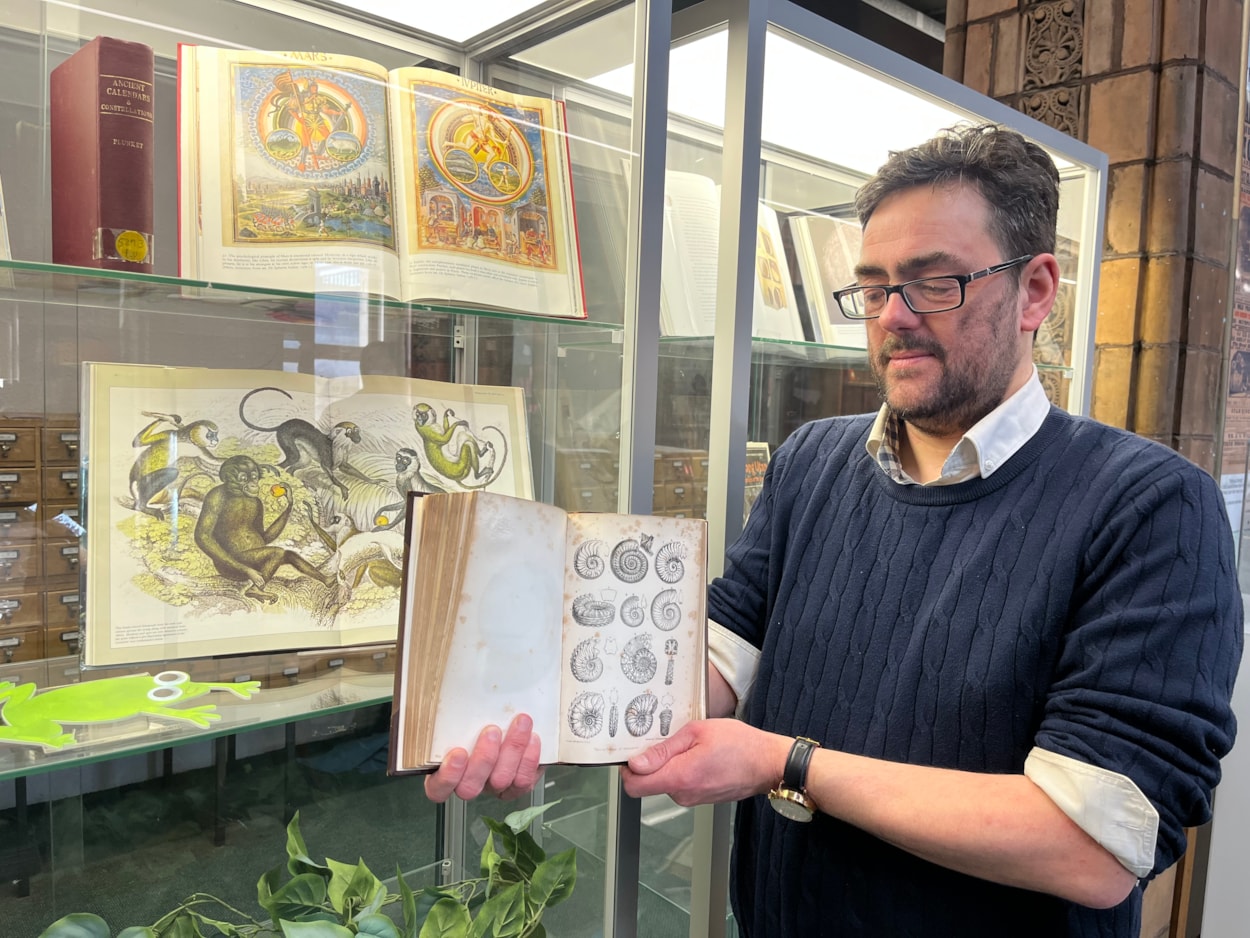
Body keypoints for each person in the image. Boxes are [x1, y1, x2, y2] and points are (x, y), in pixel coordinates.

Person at [423, 124, 1244, 937]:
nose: (894, 317)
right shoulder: (812, 458)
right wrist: (531, 716)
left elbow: (1092, 844)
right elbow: (713, 657)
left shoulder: (1151, 508)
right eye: (873, 288)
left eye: (934, 283)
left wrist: (787, 763)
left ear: (1035, 291)